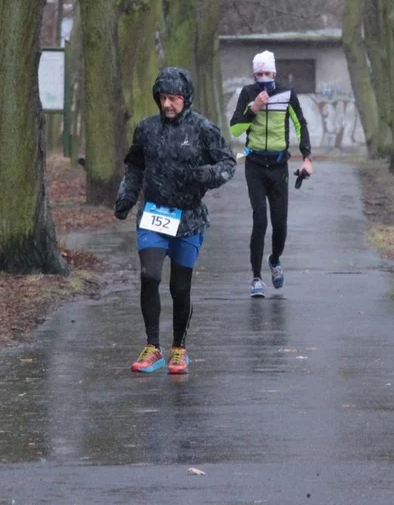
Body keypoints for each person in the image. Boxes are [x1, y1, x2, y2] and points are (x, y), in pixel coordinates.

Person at [115, 67, 236, 374]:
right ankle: (152, 347)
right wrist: (126, 198)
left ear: (185, 99)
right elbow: (135, 167)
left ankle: (179, 349)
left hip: (189, 219)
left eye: (173, 98)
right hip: (154, 215)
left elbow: (227, 163)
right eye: (162, 98)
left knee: (179, 288)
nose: (167, 104)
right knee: (150, 276)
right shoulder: (146, 129)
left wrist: (205, 175)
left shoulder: (203, 129)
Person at [229, 50, 313, 297]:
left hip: (278, 167)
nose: (263, 78)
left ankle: (275, 260)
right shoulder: (247, 94)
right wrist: (253, 108)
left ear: (274, 73)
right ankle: (256, 278)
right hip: (254, 165)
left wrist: (307, 157)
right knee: (259, 220)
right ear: (254, 75)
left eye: (267, 73)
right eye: (259, 74)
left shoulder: (287, 94)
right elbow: (235, 129)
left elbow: (300, 124)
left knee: (280, 224)